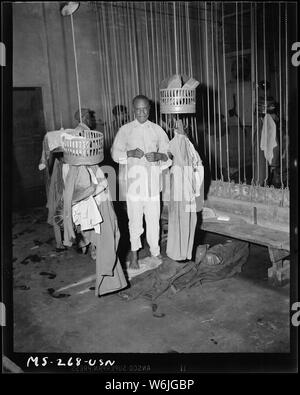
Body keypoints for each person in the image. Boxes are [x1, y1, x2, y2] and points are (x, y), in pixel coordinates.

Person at [111, 95, 172, 269]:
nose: (142, 112)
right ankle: (134, 255)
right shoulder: (125, 130)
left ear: (150, 109)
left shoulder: (157, 130)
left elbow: (169, 154)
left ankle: (155, 251)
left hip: (153, 185)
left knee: (154, 221)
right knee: (135, 222)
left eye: (145, 109)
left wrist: (159, 156)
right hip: (134, 186)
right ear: (133, 109)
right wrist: (129, 154)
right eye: (138, 109)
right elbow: (115, 154)